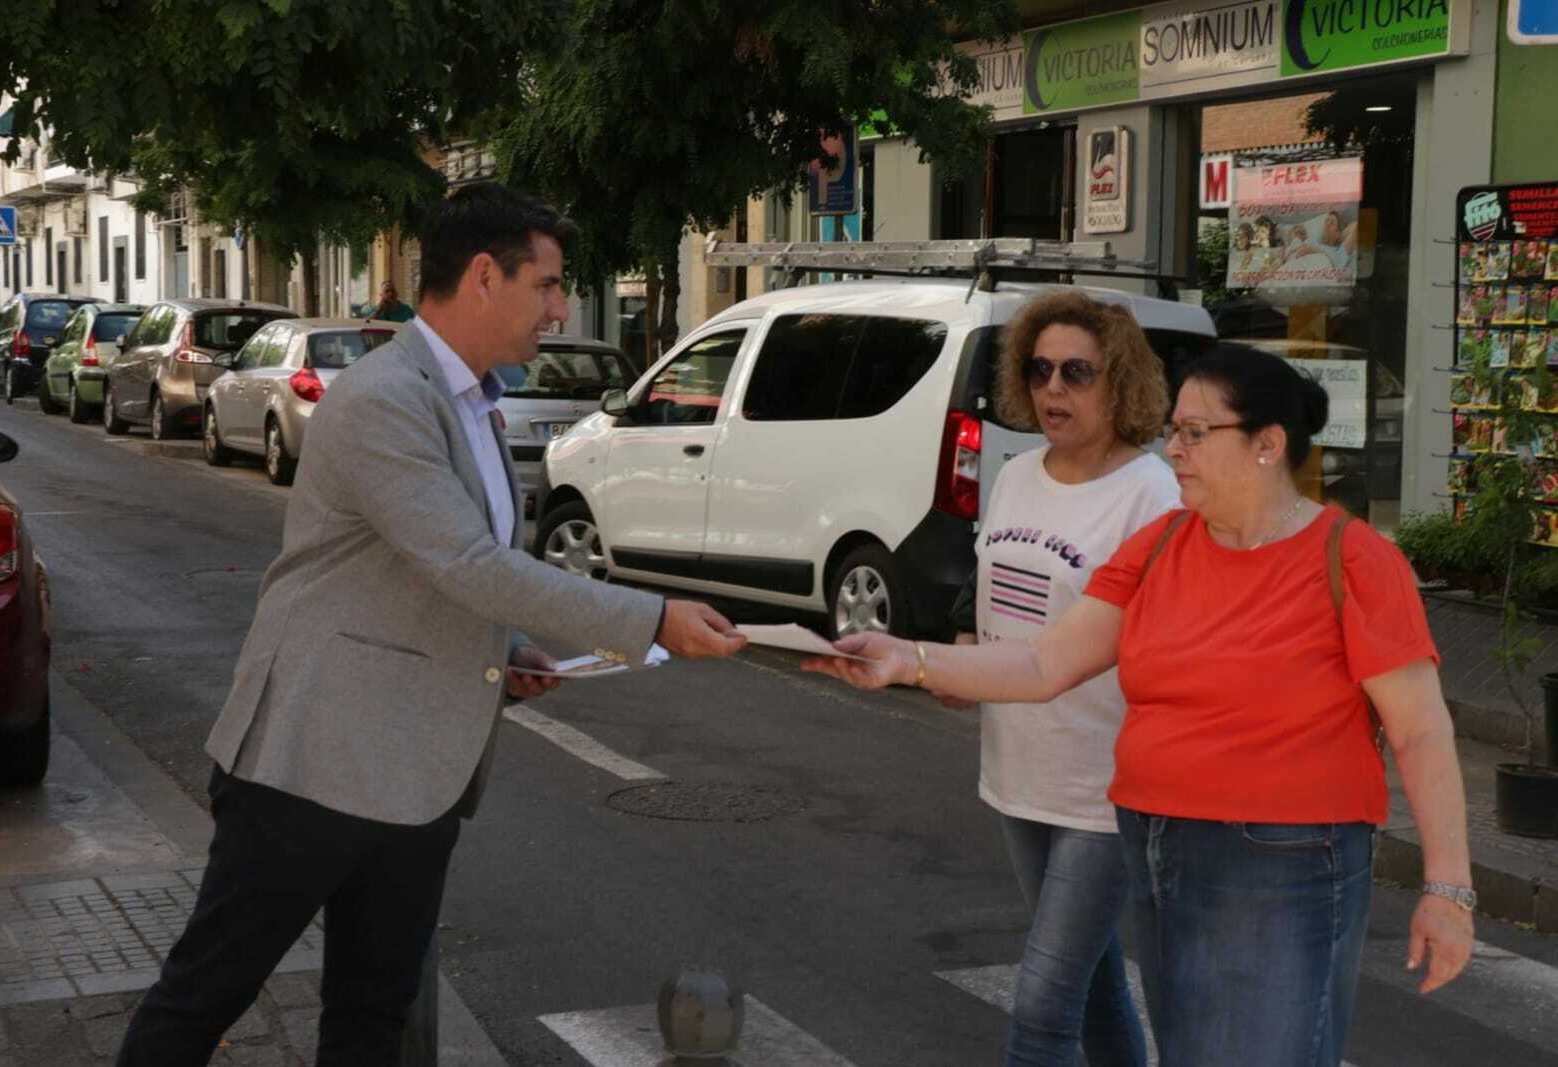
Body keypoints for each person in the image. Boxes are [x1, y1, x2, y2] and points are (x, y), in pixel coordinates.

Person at [116, 182, 747, 1066]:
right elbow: (470, 564)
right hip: (312, 759)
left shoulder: (475, 400)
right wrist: (650, 618)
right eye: (549, 284)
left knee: (373, 1016)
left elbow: (444, 581)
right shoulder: (386, 397)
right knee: (205, 994)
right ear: (485, 276)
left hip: (418, 777)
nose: (560, 307)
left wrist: (507, 649)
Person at [805, 345, 1475, 1067]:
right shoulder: (1160, 547)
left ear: (1267, 444)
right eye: (1172, 430)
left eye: (1193, 432)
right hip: (1158, 840)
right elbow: (1044, 659)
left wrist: (1449, 888)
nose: (1171, 449)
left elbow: (1421, 729)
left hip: (1286, 862)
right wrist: (913, 658)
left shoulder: (1355, 559)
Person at [946, 292, 1176, 1067]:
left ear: (1120, 383)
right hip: (1016, 765)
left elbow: (1161, 638)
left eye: (1077, 372)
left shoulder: (1151, 493)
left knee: (1044, 1006)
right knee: (1095, 978)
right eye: (1039, 369)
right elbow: (990, 602)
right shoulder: (1015, 476)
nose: (1053, 390)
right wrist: (962, 654)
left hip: (1103, 785)